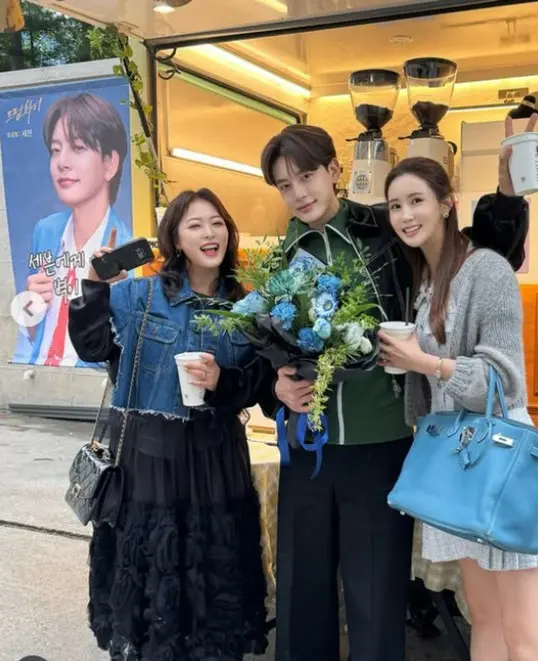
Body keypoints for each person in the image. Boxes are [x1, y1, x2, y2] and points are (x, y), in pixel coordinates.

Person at [259, 116, 538, 661]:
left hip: (381, 441)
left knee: (376, 591)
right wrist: (276, 387)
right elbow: (262, 351)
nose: (298, 194)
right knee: (301, 591)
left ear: (335, 170)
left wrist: (507, 198)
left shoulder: (383, 231)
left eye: (307, 177)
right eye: (284, 185)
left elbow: (473, 253)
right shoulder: (279, 258)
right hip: (307, 445)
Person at [68, 188, 276, 661]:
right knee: (153, 570)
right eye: (195, 225)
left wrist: (223, 382)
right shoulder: (140, 296)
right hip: (150, 460)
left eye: (217, 223)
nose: (209, 233)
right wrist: (93, 286)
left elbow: (258, 383)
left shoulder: (247, 307)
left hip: (216, 457)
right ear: (176, 239)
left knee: (212, 571)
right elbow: (92, 346)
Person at [378, 156, 538, 661]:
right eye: (395, 206)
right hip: (457, 459)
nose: (405, 215)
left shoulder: (488, 269)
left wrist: (424, 362)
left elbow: (503, 382)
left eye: (416, 201)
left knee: (525, 630)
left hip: (503, 458)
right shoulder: (423, 279)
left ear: (447, 203)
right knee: (483, 617)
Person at [18, 92, 132, 367]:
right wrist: (30, 304)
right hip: (38, 375)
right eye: (56, 150)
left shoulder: (126, 249)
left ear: (110, 163)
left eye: (78, 147)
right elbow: (31, 333)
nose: (62, 162)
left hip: (91, 382)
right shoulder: (45, 231)